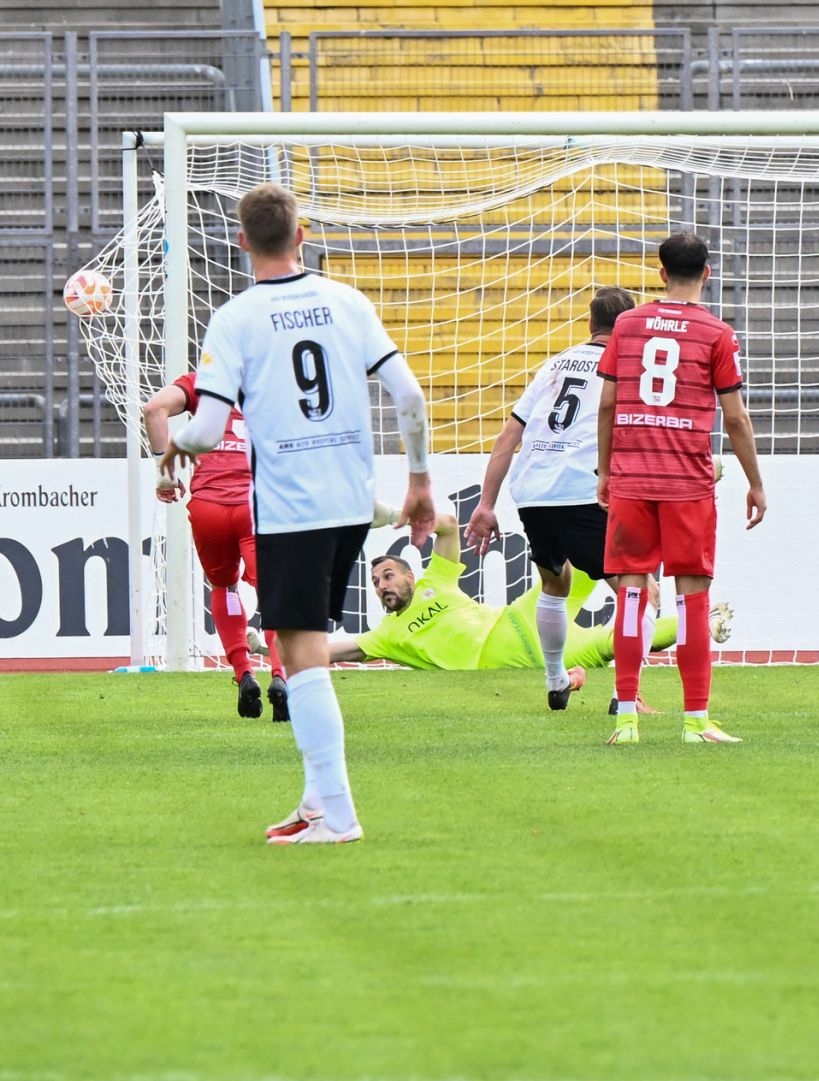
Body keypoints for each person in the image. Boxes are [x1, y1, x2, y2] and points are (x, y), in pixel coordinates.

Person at [162, 181, 434, 846]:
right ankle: (316, 800)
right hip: (350, 502)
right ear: (301, 236)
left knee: (304, 656)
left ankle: (337, 814)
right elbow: (409, 395)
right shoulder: (348, 301)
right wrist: (420, 479)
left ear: (242, 241)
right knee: (294, 645)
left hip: (291, 506)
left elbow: (207, 429)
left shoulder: (236, 318)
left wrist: (173, 445)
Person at [597, 231, 767, 746]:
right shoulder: (717, 334)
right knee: (692, 597)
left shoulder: (626, 325)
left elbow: (607, 404)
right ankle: (695, 722)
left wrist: (605, 472)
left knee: (631, 594)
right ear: (707, 274)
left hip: (632, 477)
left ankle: (626, 720)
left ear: (661, 273)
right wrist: (755, 482)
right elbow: (735, 418)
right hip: (686, 482)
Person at [467, 285, 636, 710]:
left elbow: (510, 435)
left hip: (534, 492)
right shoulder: (625, 369)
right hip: (582, 489)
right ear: (628, 328)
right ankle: (626, 696)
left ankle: (557, 680)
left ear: (590, 323)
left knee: (556, 582)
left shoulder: (555, 365)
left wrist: (486, 504)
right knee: (638, 590)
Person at [328, 514, 716, 681]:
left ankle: (652, 516)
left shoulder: (436, 580)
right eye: (375, 582)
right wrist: (288, 649)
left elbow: (448, 526)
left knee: (586, 556)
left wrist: (400, 513)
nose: (382, 585)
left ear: (410, 576)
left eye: (388, 575)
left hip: (520, 617)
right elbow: (333, 651)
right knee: (610, 643)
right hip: (512, 661)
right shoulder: (386, 635)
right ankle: (706, 621)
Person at [142, 371, 287, 720]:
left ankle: (244, 673)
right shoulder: (276, 377)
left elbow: (153, 409)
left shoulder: (203, 379)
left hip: (208, 505)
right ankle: (281, 676)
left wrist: (165, 474)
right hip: (256, 504)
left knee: (225, 586)